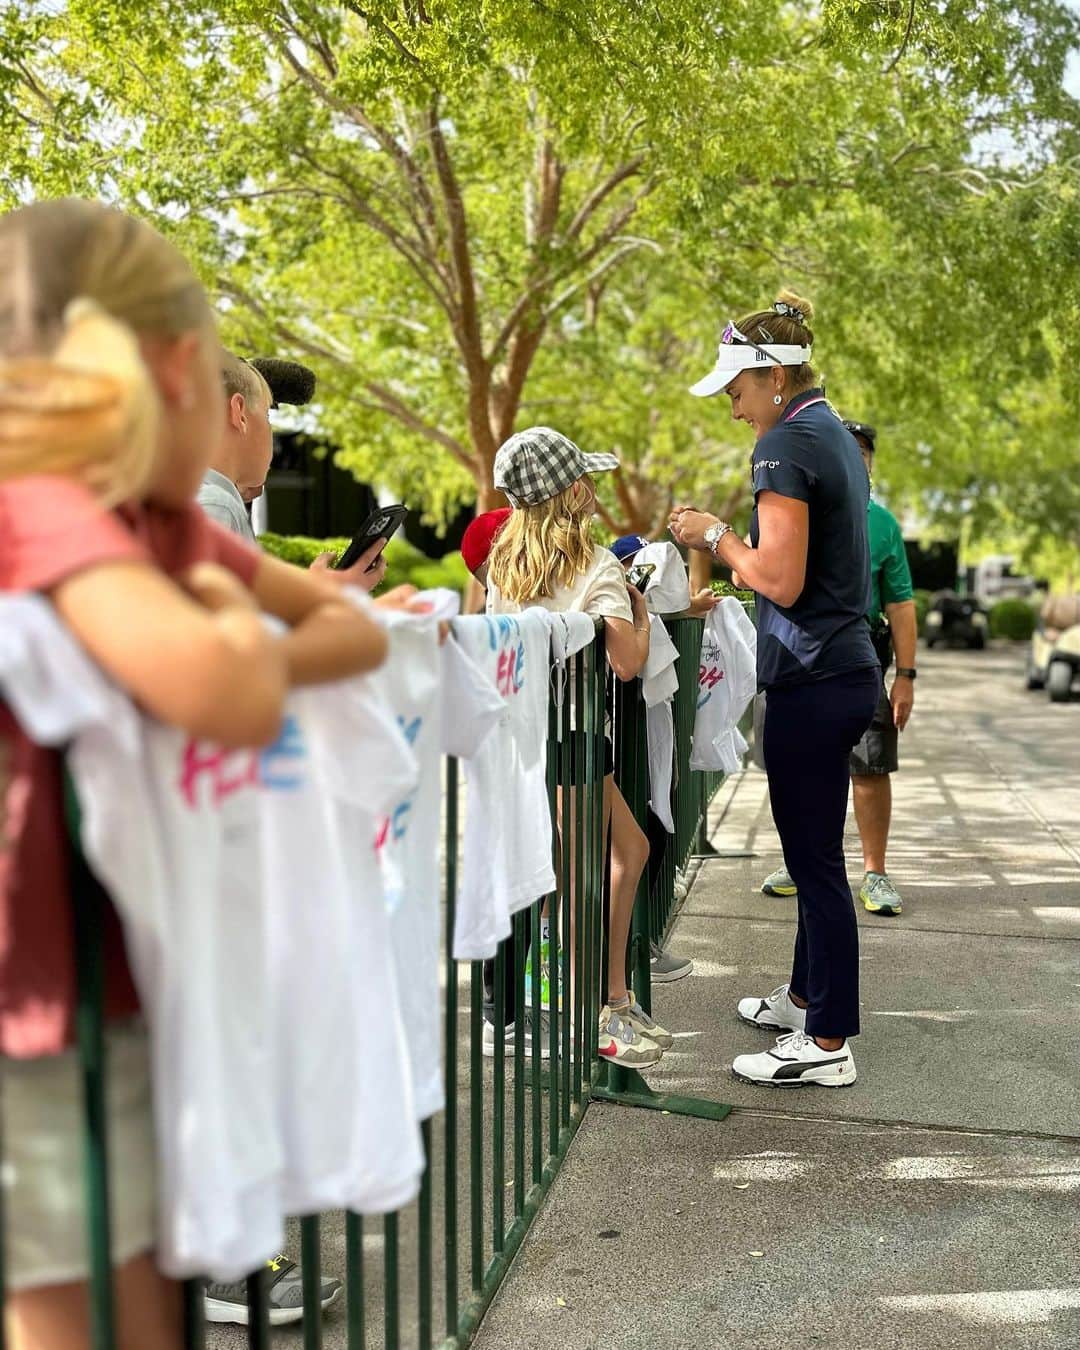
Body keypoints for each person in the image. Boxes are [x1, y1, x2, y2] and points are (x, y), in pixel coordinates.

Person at [0, 198, 391, 1350]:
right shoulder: (56, 520)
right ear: (179, 371)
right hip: (41, 1017)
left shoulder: (156, 527)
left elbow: (350, 634)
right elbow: (229, 687)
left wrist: (232, 619)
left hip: (129, 990)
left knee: (143, 1309)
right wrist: (238, 623)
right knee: (71, 1319)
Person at [671, 290, 879, 1087]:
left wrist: (713, 536)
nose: (732, 407)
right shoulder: (824, 427)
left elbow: (781, 580)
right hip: (841, 667)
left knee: (816, 864)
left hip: (814, 673)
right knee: (814, 852)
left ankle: (827, 1044)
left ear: (773, 376)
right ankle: (804, 998)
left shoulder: (784, 444)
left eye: (735, 389)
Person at [487, 427, 671, 1068]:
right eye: (586, 480)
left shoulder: (504, 566)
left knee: (603, 860)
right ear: (572, 491)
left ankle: (605, 1001)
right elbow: (626, 662)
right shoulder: (593, 563)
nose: (595, 491)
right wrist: (642, 618)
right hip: (574, 734)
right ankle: (596, 1013)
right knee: (595, 872)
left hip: (526, 735)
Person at [758, 421, 916, 916]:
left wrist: (906, 675)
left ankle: (874, 870)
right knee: (802, 774)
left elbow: (901, 603)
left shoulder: (881, 523)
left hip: (856, 655)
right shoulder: (796, 507)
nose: (857, 459)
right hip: (799, 658)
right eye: (850, 450)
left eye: (864, 452)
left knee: (869, 767)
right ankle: (803, 861)